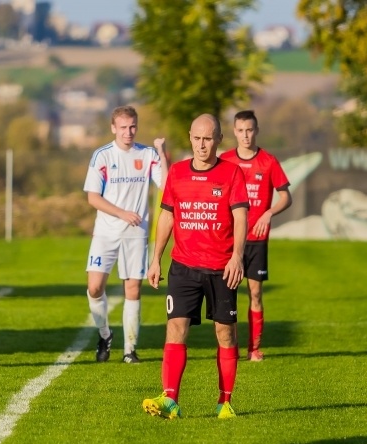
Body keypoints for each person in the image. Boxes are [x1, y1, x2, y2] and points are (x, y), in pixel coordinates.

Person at [143, 113, 249, 420]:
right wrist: (156, 258)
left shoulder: (231, 173)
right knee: (176, 327)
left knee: (225, 334)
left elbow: (241, 217)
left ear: (218, 140)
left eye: (208, 139)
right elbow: (167, 216)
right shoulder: (176, 173)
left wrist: (237, 256)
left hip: (221, 268)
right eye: (197, 138)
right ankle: (170, 400)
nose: (202, 145)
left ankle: (225, 401)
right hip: (184, 266)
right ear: (190, 137)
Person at [83, 105, 167, 364]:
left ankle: (130, 350)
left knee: (132, 289)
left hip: (135, 234)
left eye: (132, 127)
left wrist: (162, 152)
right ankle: (105, 334)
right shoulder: (103, 156)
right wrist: (121, 213)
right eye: (123, 127)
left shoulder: (148, 154)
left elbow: (165, 183)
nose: (128, 132)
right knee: (95, 287)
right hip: (106, 233)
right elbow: (93, 198)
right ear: (113, 128)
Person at [220, 110, 292, 361]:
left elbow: (285, 196)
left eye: (249, 130)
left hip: (256, 240)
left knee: (255, 293)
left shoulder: (269, 162)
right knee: (227, 295)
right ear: (234, 132)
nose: (245, 135)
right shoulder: (226, 160)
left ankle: (254, 348)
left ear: (256, 130)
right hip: (229, 239)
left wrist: (268, 213)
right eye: (240, 130)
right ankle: (230, 348)